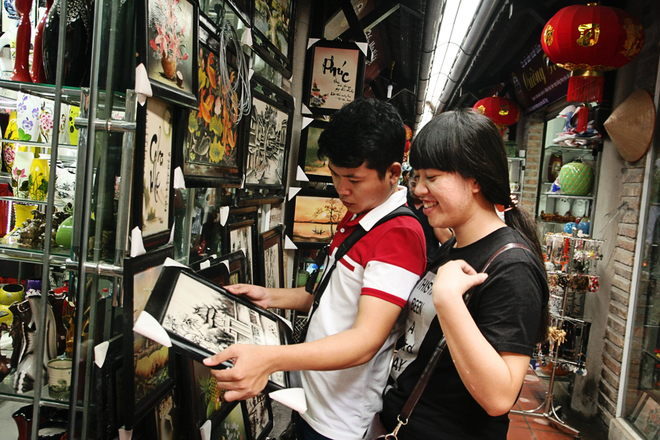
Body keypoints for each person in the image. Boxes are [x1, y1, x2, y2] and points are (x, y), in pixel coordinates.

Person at [204, 98, 427, 440]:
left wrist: (270, 359)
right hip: (313, 400)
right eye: (335, 176)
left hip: (340, 421)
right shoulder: (361, 214)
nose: (342, 189)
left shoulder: (398, 235)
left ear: (394, 172)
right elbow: (330, 296)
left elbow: (365, 341)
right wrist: (270, 297)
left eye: (354, 178)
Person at [380, 109, 549, 439]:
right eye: (419, 177)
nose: (419, 190)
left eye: (433, 177)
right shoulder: (455, 244)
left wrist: (448, 300)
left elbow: (500, 398)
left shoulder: (511, 267)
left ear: (475, 179)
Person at [407, 167, 453, 262]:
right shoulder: (402, 202)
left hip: (429, 259)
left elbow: (445, 239)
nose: (417, 190)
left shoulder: (434, 204)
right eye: (413, 185)